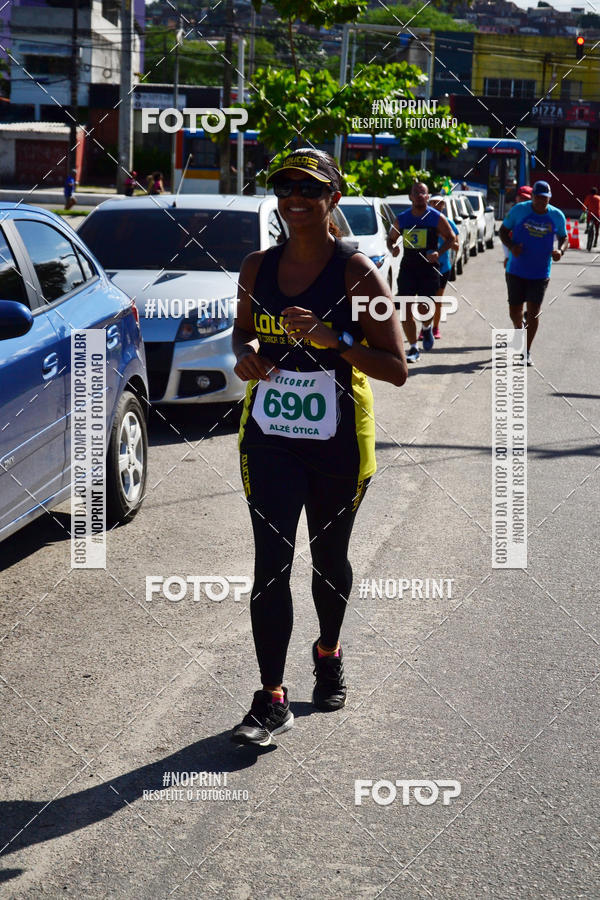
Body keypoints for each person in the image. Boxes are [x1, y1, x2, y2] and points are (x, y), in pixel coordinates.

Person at [230, 148, 407, 746]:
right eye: (285, 187)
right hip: (269, 439)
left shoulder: (358, 273)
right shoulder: (257, 266)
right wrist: (246, 356)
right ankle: (271, 698)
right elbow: (242, 333)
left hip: (339, 441)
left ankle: (328, 652)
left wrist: (336, 340)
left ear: (333, 197)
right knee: (270, 564)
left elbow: (396, 366)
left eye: (309, 188)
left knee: (329, 561)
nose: (295, 198)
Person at [499, 180, 568, 367]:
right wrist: (512, 246)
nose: (541, 201)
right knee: (515, 311)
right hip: (516, 269)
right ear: (532, 197)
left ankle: (525, 351)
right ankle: (518, 327)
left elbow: (564, 237)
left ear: (549, 198)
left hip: (540, 272)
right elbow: (503, 231)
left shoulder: (556, 215)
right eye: (538, 197)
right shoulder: (519, 210)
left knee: (534, 313)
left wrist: (560, 250)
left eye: (545, 198)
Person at [386, 182, 456, 362]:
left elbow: (451, 238)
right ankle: (413, 347)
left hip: (429, 269)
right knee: (405, 309)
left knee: (424, 307)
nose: (419, 195)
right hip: (408, 268)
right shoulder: (402, 218)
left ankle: (426, 328)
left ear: (427, 196)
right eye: (415, 192)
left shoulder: (436, 217)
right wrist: (393, 248)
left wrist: (438, 252)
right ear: (410, 196)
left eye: (422, 192)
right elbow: (390, 238)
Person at [428, 196, 460, 339]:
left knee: (437, 300)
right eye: (433, 202)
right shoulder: (424, 222)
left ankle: (435, 328)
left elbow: (456, 246)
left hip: (442, 267)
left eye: (440, 203)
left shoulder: (449, 223)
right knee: (425, 299)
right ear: (429, 204)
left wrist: (443, 236)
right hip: (425, 267)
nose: (436, 205)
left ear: (444, 206)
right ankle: (425, 328)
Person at [503, 185, 533, 269]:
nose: (523, 201)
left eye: (526, 199)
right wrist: (507, 256)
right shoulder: (513, 212)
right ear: (517, 198)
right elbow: (504, 234)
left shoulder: (538, 213)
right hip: (515, 253)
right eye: (521, 198)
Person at [583, 186, 600, 251]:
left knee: (588, 218)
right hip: (597, 215)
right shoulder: (598, 198)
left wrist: (584, 211)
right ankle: (595, 241)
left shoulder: (588, 197)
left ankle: (587, 227)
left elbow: (584, 206)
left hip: (590, 215)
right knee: (597, 228)